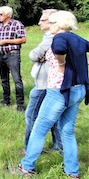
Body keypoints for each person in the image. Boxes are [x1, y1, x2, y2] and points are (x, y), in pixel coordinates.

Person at [10, 11, 89, 179]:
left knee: (39, 129)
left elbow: (59, 49)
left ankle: (26, 168)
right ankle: (72, 174)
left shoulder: (59, 38)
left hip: (59, 91)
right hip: (77, 90)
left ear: (60, 25)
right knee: (67, 132)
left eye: (52, 22)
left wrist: (61, 64)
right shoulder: (77, 38)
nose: (49, 25)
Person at [22, 9, 62, 156]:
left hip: (43, 83)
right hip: (49, 83)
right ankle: (58, 147)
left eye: (43, 20)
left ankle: (29, 149)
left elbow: (33, 54)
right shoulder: (58, 36)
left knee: (31, 115)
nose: (39, 22)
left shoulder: (51, 37)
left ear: (53, 22)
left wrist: (38, 55)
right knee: (54, 117)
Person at [0, 6, 26, 112]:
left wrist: (6, 41)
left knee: (17, 79)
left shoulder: (17, 24)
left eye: (1, 14)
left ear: (8, 14)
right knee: (4, 79)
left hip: (12, 54)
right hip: (1, 55)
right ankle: (6, 100)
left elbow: (23, 39)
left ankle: (20, 104)